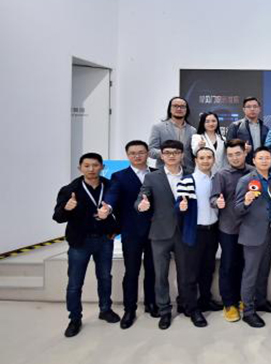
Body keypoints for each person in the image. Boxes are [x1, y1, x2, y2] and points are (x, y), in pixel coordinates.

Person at [136, 140, 205, 330]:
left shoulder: (191, 175)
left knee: (187, 274)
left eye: (176, 152)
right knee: (160, 275)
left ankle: (188, 306)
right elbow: (141, 198)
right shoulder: (152, 177)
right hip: (160, 233)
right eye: (167, 152)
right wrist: (142, 205)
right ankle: (164, 310)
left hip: (185, 232)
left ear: (182, 155)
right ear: (162, 155)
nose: (172, 155)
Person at [53, 152, 120, 337]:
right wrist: (66, 208)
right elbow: (57, 217)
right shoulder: (70, 189)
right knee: (75, 283)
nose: (91, 169)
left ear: (102, 167)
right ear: (80, 168)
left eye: (95, 165)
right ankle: (75, 318)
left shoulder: (111, 186)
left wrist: (116, 229)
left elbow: (121, 210)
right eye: (87, 166)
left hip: (104, 240)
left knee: (105, 277)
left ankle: (105, 309)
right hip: (79, 242)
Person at [100, 140, 157, 329]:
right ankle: (129, 309)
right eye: (133, 153)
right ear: (127, 155)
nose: (137, 156)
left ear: (147, 153)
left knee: (153, 270)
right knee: (132, 271)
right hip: (131, 231)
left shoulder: (157, 173)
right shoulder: (119, 176)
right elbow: (113, 195)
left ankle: (151, 303)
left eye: (141, 152)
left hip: (155, 231)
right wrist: (107, 207)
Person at [233, 147, 271, 328]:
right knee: (250, 273)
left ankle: (261, 301)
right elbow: (237, 209)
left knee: (264, 270)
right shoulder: (246, 180)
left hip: (270, 232)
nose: (264, 161)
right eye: (260, 158)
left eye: (267, 157)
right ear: (253, 161)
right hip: (252, 233)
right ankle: (248, 311)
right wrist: (246, 202)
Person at [210, 139, 253, 322]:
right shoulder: (221, 174)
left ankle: (243, 298)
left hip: (250, 228)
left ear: (245, 153)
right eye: (230, 155)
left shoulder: (253, 172)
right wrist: (217, 202)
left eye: (238, 154)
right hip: (229, 228)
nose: (234, 158)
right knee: (228, 266)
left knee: (246, 266)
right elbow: (213, 198)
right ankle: (229, 304)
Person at [176, 147, 223, 315]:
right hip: (194, 232)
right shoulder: (188, 180)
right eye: (202, 158)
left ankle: (205, 300)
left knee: (208, 269)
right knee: (191, 273)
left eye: (209, 157)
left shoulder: (217, 179)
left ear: (214, 160)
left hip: (212, 231)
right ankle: (191, 308)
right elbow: (179, 204)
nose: (205, 161)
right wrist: (181, 207)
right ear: (196, 160)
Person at [148, 97, 197, 172]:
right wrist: (167, 153)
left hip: (187, 171)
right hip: (164, 171)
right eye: (175, 106)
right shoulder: (158, 128)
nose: (179, 109)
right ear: (170, 109)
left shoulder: (192, 130)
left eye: (182, 106)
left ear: (186, 110)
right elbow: (151, 151)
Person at [226, 96, 270, 165]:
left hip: (260, 164)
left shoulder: (265, 128)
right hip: (242, 165)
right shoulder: (235, 126)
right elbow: (228, 146)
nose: (252, 109)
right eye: (248, 107)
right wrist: (242, 147)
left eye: (255, 106)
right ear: (244, 109)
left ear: (259, 109)